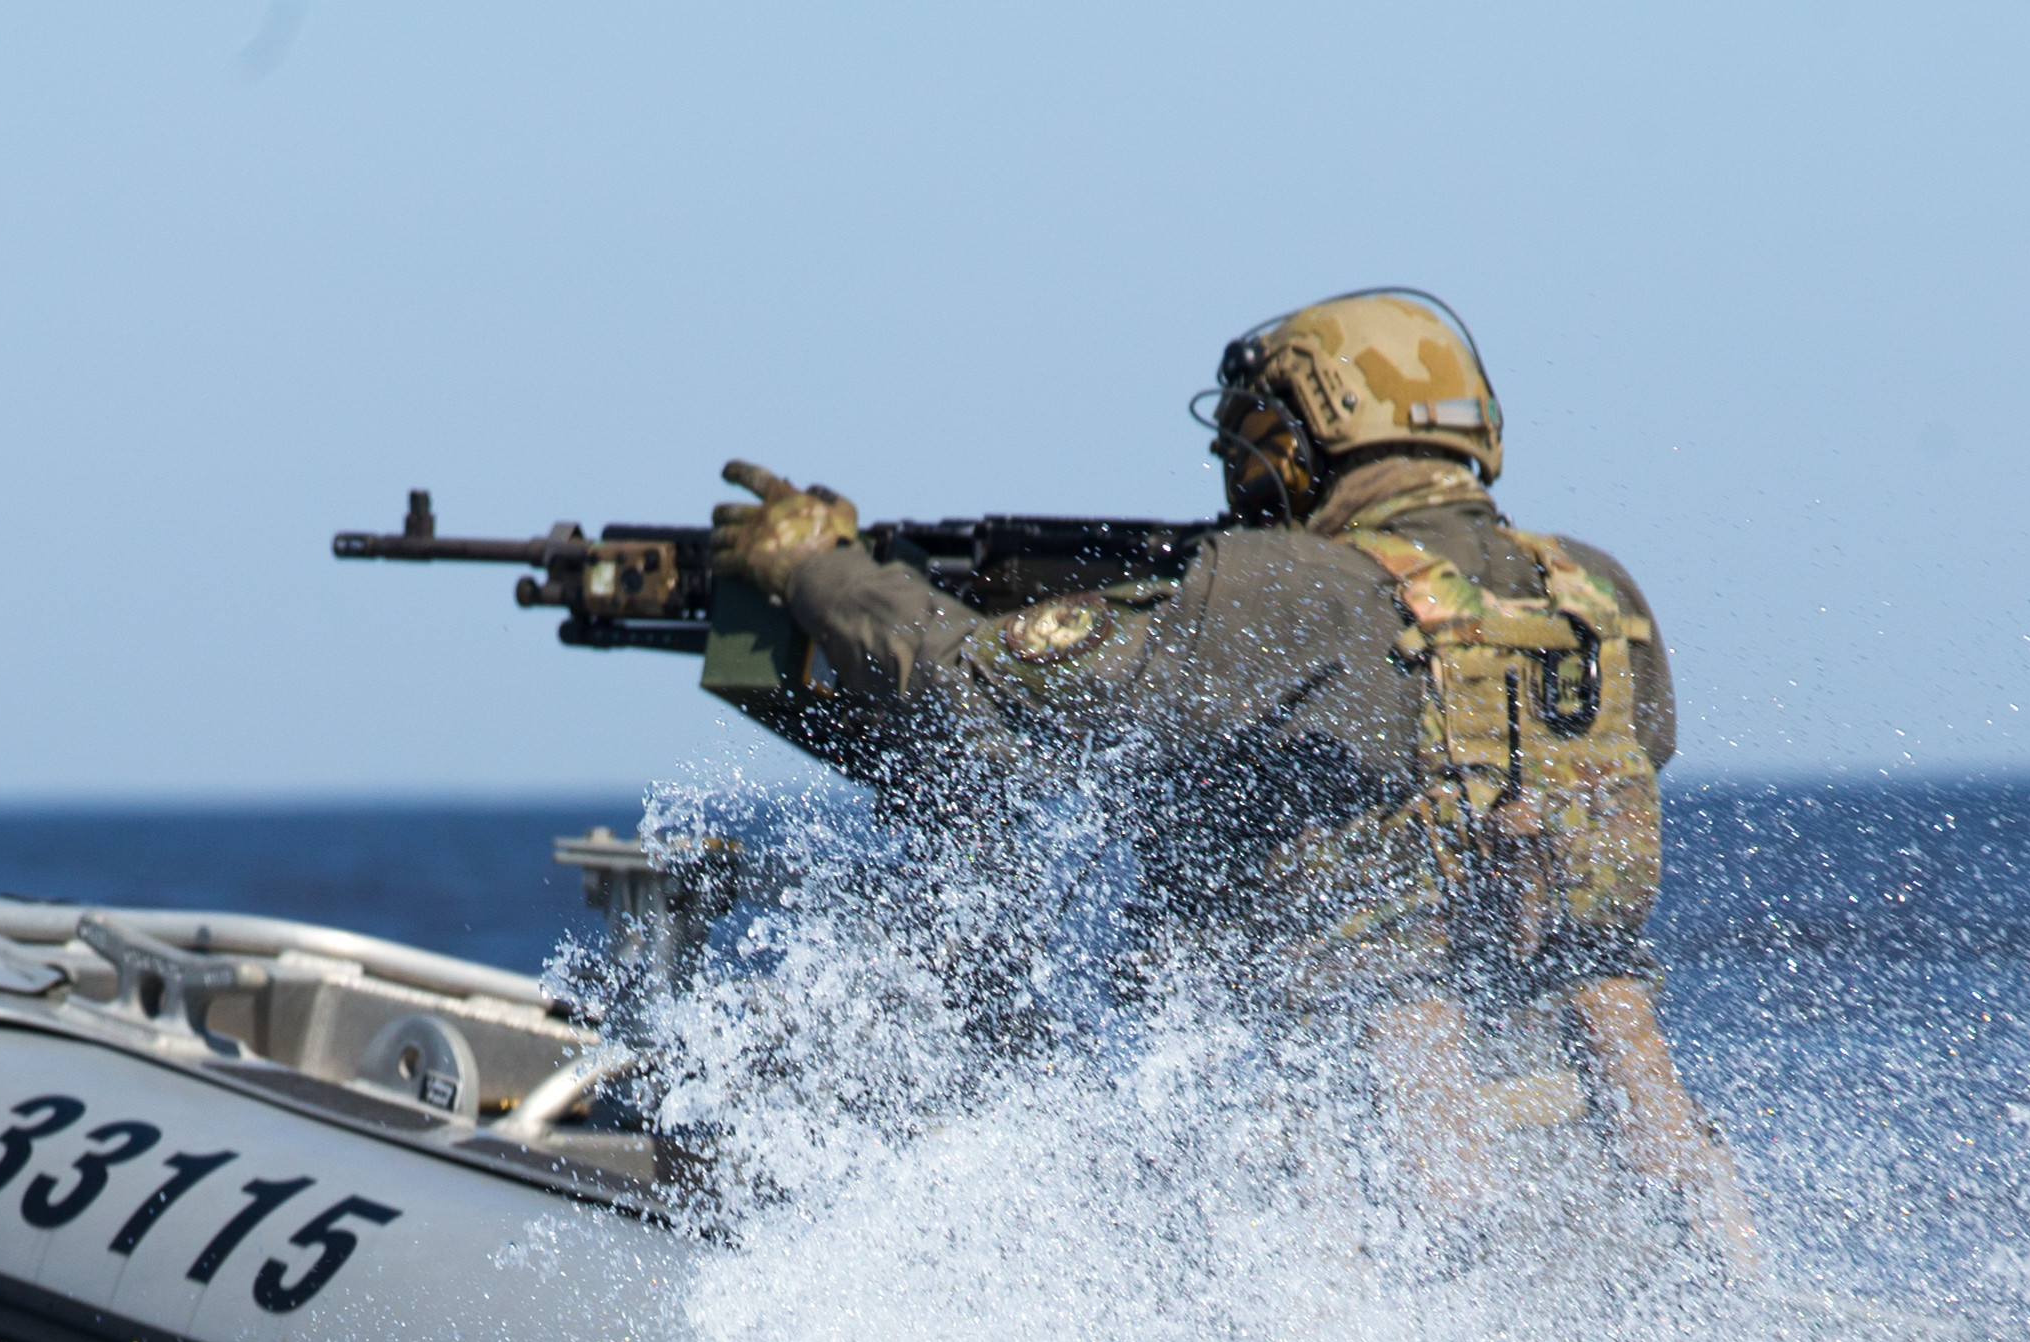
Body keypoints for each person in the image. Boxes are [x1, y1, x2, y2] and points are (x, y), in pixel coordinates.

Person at [701, 290, 1759, 1269]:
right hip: (1601, 1168)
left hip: (1359, 1198)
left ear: (1313, 429)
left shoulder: (1290, 590)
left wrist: (811, 568)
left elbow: (969, 688)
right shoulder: (1595, 596)